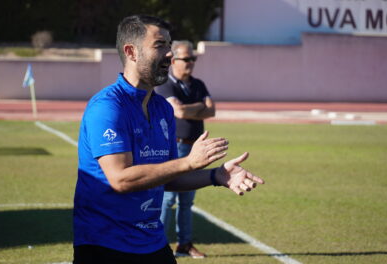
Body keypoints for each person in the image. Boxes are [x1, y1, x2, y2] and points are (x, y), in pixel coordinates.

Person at [73, 14, 264, 264]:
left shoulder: (162, 108)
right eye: (159, 45)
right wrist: (188, 162)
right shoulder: (108, 107)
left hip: (151, 243)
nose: (169, 54)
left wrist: (216, 176)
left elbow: (168, 177)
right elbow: (120, 179)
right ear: (131, 51)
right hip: (105, 245)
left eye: (169, 45)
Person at [155, 40, 214, 259]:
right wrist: (199, 106)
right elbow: (177, 112)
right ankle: (159, 244)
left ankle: (184, 244)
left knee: (187, 201)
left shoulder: (198, 84)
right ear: (173, 60)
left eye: (193, 59)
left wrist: (195, 109)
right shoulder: (165, 84)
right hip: (175, 146)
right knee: (168, 199)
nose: (191, 63)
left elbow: (212, 111)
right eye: (186, 59)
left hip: (195, 148)